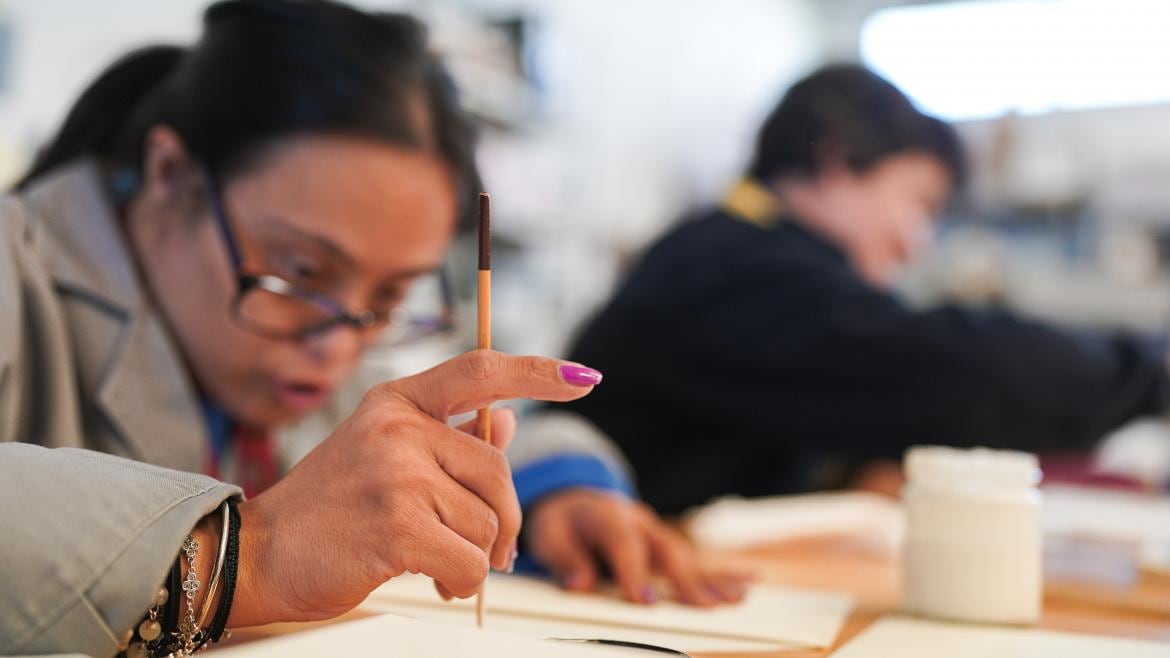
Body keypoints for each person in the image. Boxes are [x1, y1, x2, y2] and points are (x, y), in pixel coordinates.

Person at [0, 2, 746, 656]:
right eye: (299, 271)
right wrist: (250, 554)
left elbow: (461, 427)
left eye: (389, 296)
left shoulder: (322, 340)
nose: (339, 347)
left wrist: (559, 493)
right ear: (171, 176)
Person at [561, 64, 1170, 516]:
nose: (918, 242)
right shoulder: (732, 268)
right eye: (920, 203)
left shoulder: (724, 250)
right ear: (838, 160)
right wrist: (1150, 372)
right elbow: (961, 372)